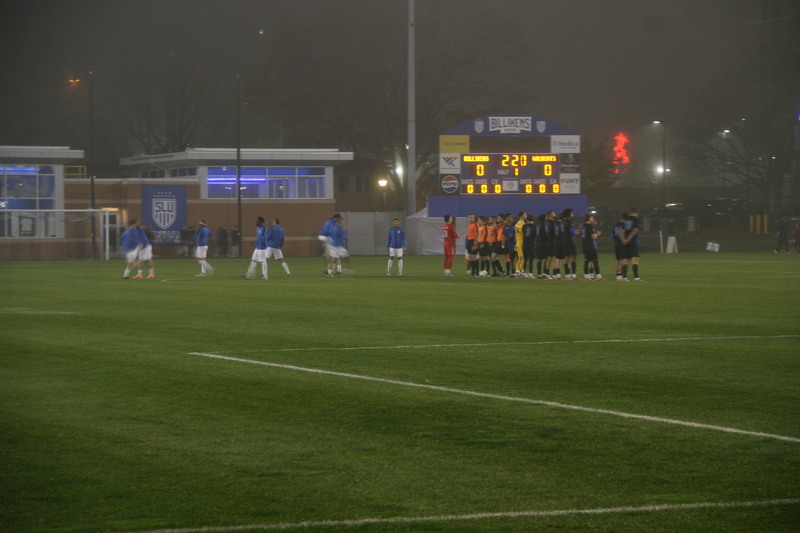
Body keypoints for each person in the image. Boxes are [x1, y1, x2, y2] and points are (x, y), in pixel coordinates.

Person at [619, 206, 644, 282]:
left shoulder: (626, 220)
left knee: (626, 259)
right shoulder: (636, 219)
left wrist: (623, 240)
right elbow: (635, 231)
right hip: (633, 241)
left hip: (625, 243)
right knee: (635, 259)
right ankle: (636, 278)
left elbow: (622, 231)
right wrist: (628, 239)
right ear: (636, 212)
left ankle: (625, 278)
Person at [581, 212, 605, 280]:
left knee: (587, 261)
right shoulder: (589, 226)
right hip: (590, 246)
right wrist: (597, 234)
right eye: (592, 218)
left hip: (585, 246)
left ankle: (587, 276)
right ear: (589, 218)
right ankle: (599, 277)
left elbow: (587, 235)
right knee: (595, 261)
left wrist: (594, 228)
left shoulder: (583, 226)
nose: (593, 219)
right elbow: (593, 237)